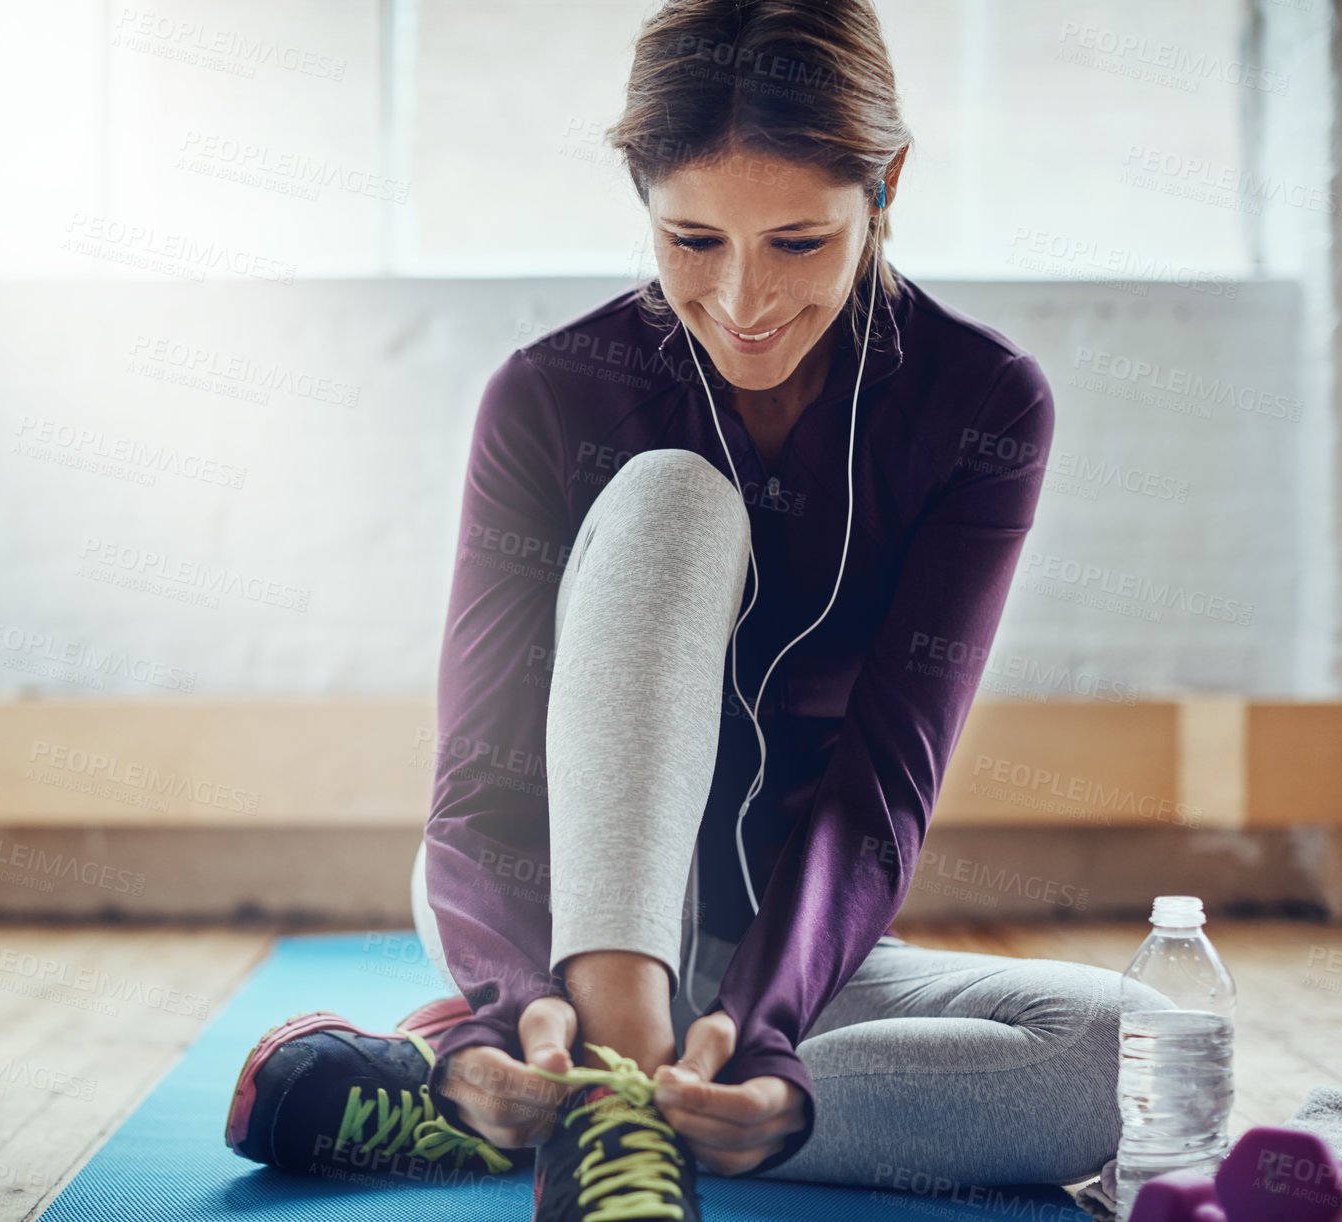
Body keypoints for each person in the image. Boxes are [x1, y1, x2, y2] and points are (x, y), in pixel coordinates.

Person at [227, 2, 1135, 1218]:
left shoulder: (980, 404)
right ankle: (585, 1054)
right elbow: (480, 774)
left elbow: (882, 785)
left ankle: (500, 1095)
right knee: (669, 499)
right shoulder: (548, 395)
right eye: (691, 239)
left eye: (801, 242)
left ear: (888, 183)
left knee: (1124, 1054)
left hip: (790, 945)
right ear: (639, 199)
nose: (742, 299)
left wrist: (766, 1054)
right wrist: (514, 987)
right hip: (543, 911)